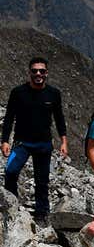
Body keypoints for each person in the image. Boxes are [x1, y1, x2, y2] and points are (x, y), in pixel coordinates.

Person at [1, 56, 68, 221]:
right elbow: (9, 117)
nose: (38, 73)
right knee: (10, 171)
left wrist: (64, 141)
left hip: (44, 144)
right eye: (35, 71)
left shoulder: (54, 94)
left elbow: (59, 118)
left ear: (47, 73)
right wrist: (4, 141)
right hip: (21, 143)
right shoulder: (18, 93)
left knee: (42, 180)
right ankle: (12, 206)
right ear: (29, 72)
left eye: (42, 71)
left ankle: (41, 213)